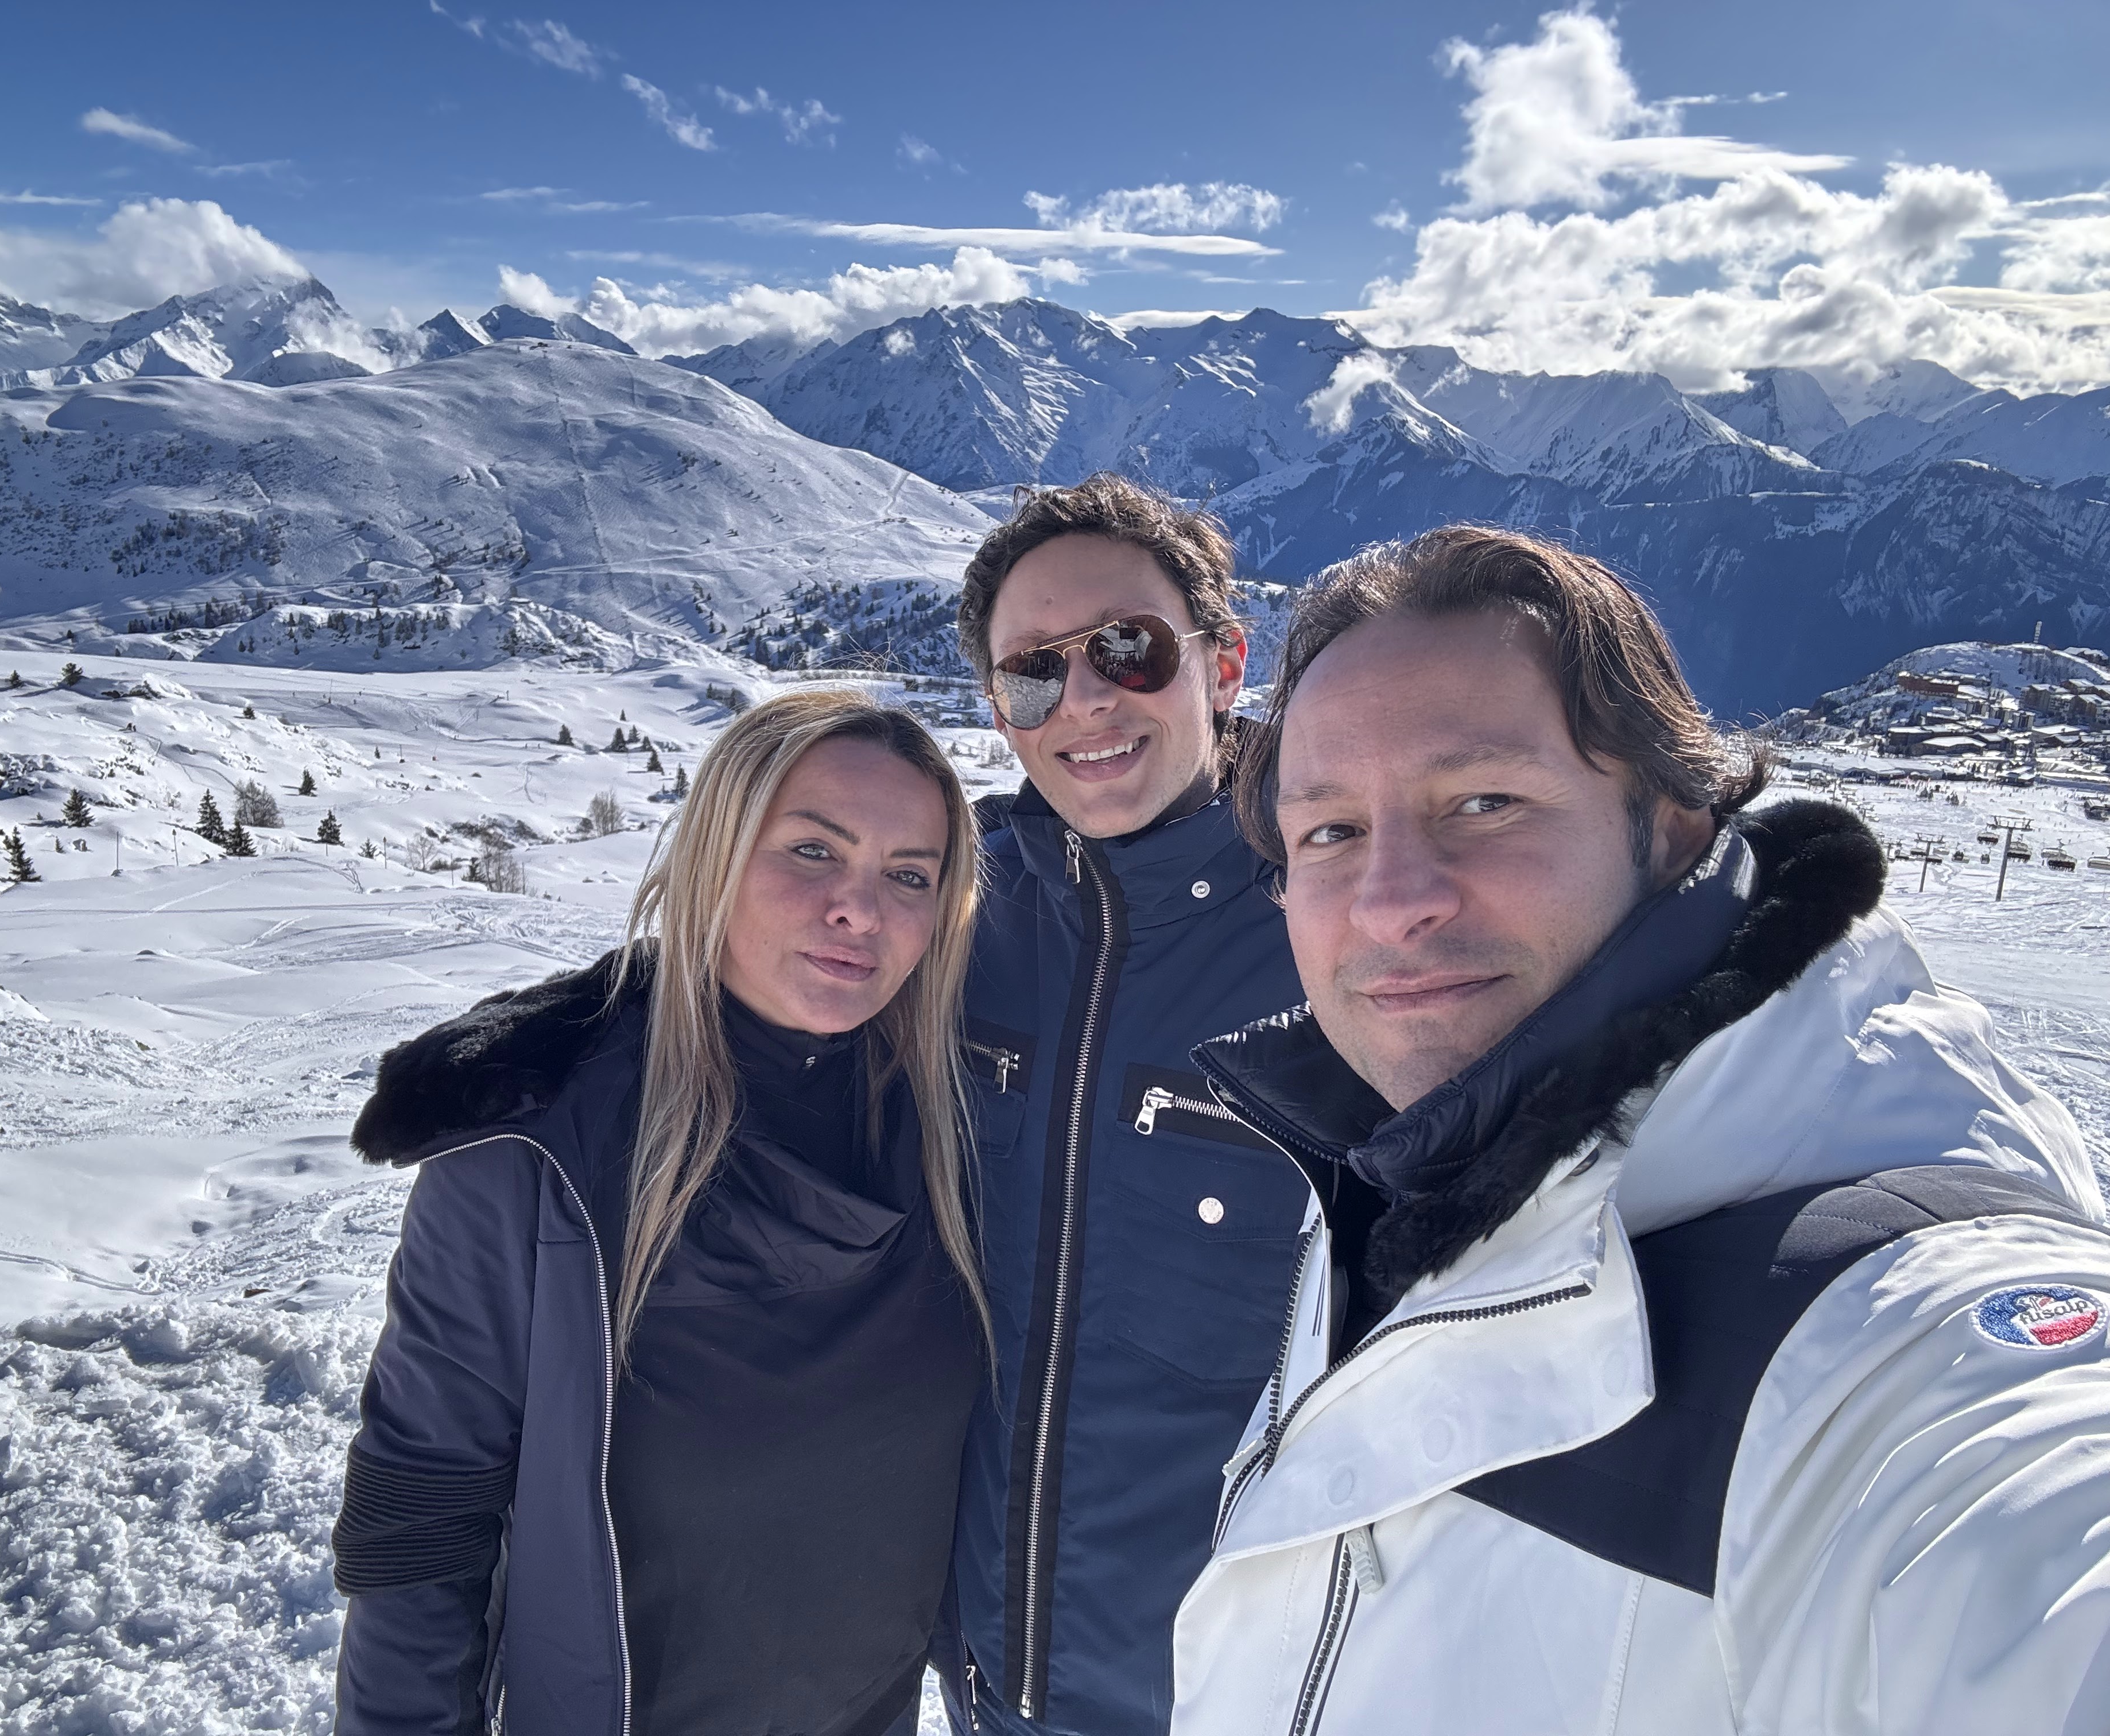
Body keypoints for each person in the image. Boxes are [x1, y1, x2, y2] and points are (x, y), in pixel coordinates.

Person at [1171, 525, 2110, 1734]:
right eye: (1332, 832)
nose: (1394, 902)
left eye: (1486, 802)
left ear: (1672, 829)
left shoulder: (1891, 1338)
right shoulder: (1403, 1164)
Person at [331, 690, 988, 1736]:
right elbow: (422, 1507)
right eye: (813, 851)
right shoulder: (534, 1145)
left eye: (910, 875)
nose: (860, 909)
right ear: (713, 857)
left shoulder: (953, 1122)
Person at [941, 474, 1310, 1735]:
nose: (1085, 700)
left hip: (1242, 1701)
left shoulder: (1344, 928)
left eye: (1127, 648)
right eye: (1033, 674)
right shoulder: (963, 913)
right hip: (988, 1683)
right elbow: (761, 985)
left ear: (1224, 663)